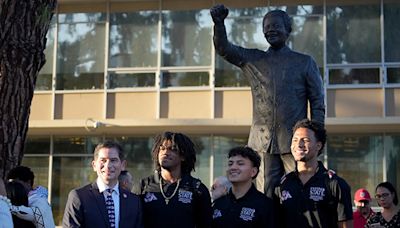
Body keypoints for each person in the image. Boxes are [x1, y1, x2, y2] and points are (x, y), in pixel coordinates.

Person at [210, 5, 325, 198]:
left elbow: (317, 101)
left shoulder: (304, 62)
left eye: (276, 25)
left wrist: (317, 137)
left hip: (294, 142)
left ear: (288, 30)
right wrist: (219, 23)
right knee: (266, 195)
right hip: (262, 143)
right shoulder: (253, 59)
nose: (270, 29)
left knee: (298, 192)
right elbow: (224, 49)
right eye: (267, 26)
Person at [275, 119, 353, 227]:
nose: (299, 144)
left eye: (305, 140)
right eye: (295, 140)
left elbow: (345, 225)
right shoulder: (283, 183)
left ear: (318, 146)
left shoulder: (335, 184)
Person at [134, 131, 212, 228]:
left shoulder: (197, 189)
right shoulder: (143, 186)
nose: (165, 152)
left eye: (172, 149)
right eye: (162, 148)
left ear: (183, 156)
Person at [63, 141, 143, 228]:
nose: (108, 165)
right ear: (94, 165)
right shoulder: (79, 197)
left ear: (123, 165)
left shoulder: (134, 202)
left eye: (113, 160)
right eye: (103, 160)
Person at [212, 146, 274, 228]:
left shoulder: (266, 205)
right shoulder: (218, 204)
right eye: (230, 164)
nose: (233, 167)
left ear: (253, 171)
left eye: (240, 163)